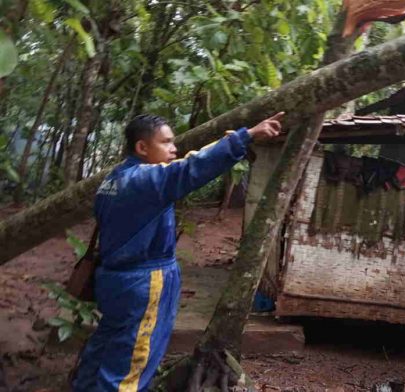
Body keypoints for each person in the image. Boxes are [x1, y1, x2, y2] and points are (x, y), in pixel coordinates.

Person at [72, 112, 283, 391]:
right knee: (131, 364)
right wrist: (248, 135)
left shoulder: (115, 178)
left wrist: (220, 146)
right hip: (144, 283)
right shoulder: (147, 181)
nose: (174, 148)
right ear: (142, 148)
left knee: (103, 351)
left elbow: (186, 163)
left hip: (115, 280)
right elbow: (189, 170)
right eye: (166, 142)